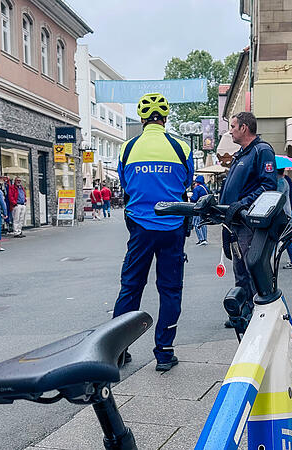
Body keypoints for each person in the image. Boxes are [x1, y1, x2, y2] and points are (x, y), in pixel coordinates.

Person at [113, 92, 193, 372]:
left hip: (140, 228)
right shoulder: (181, 147)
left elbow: (124, 183)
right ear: (166, 118)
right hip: (172, 227)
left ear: (142, 119)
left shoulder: (127, 148)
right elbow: (187, 181)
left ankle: (118, 351)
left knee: (131, 287)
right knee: (170, 290)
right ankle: (164, 352)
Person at [219, 111, 277, 328]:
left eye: (233, 126)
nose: (231, 130)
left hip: (248, 224)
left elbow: (268, 186)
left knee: (253, 268)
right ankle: (243, 312)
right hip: (234, 223)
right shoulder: (241, 154)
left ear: (244, 127)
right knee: (239, 269)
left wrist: (242, 204)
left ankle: (261, 314)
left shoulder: (262, 151)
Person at [276, 168, 292, 269]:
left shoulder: (281, 182)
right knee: (288, 237)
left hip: (283, 214)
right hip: (286, 212)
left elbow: (278, 197)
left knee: (287, 238)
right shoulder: (284, 180)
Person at [189, 175, 209, 245]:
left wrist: (190, 197)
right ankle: (205, 239)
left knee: (196, 224)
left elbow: (194, 199)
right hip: (205, 209)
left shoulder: (197, 189)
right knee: (203, 224)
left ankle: (201, 239)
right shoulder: (206, 188)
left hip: (198, 209)